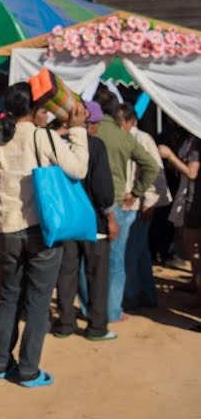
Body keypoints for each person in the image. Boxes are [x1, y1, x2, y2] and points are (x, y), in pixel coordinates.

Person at [0, 82, 89, 388]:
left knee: (9, 296)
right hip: (42, 229)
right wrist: (78, 130)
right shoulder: (45, 137)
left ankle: (2, 362)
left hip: (7, 230)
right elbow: (78, 169)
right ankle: (28, 369)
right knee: (39, 301)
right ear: (36, 109)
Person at [52, 101, 118, 342]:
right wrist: (111, 216)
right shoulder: (96, 147)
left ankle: (65, 323)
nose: (97, 129)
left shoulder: (56, 145)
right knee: (97, 274)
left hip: (64, 221)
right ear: (86, 123)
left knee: (66, 273)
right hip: (93, 221)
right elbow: (103, 189)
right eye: (95, 124)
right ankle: (97, 327)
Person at [92, 88, 159, 323]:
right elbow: (152, 167)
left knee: (94, 260)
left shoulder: (90, 132)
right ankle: (114, 309)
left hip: (97, 205)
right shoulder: (124, 137)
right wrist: (137, 194)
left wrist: (144, 197)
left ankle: (100, 307)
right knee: (121, 259)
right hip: (122, 205)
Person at [117, 103, 170, 310]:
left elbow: (155, 173)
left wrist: (149, 203)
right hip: (134, 204)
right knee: (140, 253)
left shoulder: (143, 139)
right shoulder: (128, 138)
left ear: (131, 122)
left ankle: (132, 296)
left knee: (132, 253)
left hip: (140, 206)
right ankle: (145, 295)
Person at [159, 128, 201, 303]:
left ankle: (199, 291)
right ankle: (195, 282)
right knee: (189, 244)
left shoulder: (197, 141)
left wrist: (170, 156)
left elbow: (192, 173)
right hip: (189, 197)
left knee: (193, 246)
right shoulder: (190, 138)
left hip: (194, 200)